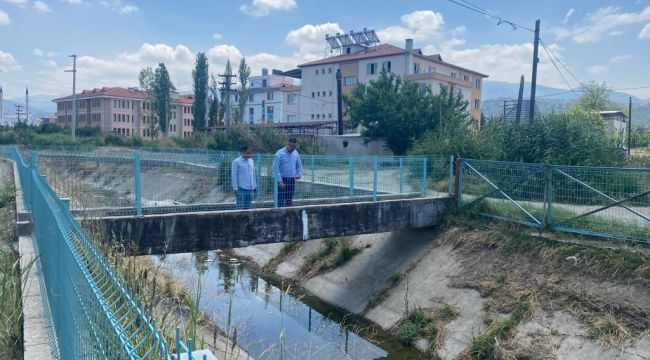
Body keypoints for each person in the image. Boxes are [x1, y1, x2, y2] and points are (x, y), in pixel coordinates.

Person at [273, 138, 303, 207]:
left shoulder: (295, 153)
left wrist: (299, 174)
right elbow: (275, 167)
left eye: (294, 147)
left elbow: (299, 165)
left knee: (289, 201)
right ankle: (279, 215)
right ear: (287, 144)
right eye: (292, 146)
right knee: (280, 200)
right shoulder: (280, 153)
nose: (293, 148)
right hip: (282, 180)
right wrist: (279, 180)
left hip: (291, 180)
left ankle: (288, 216)